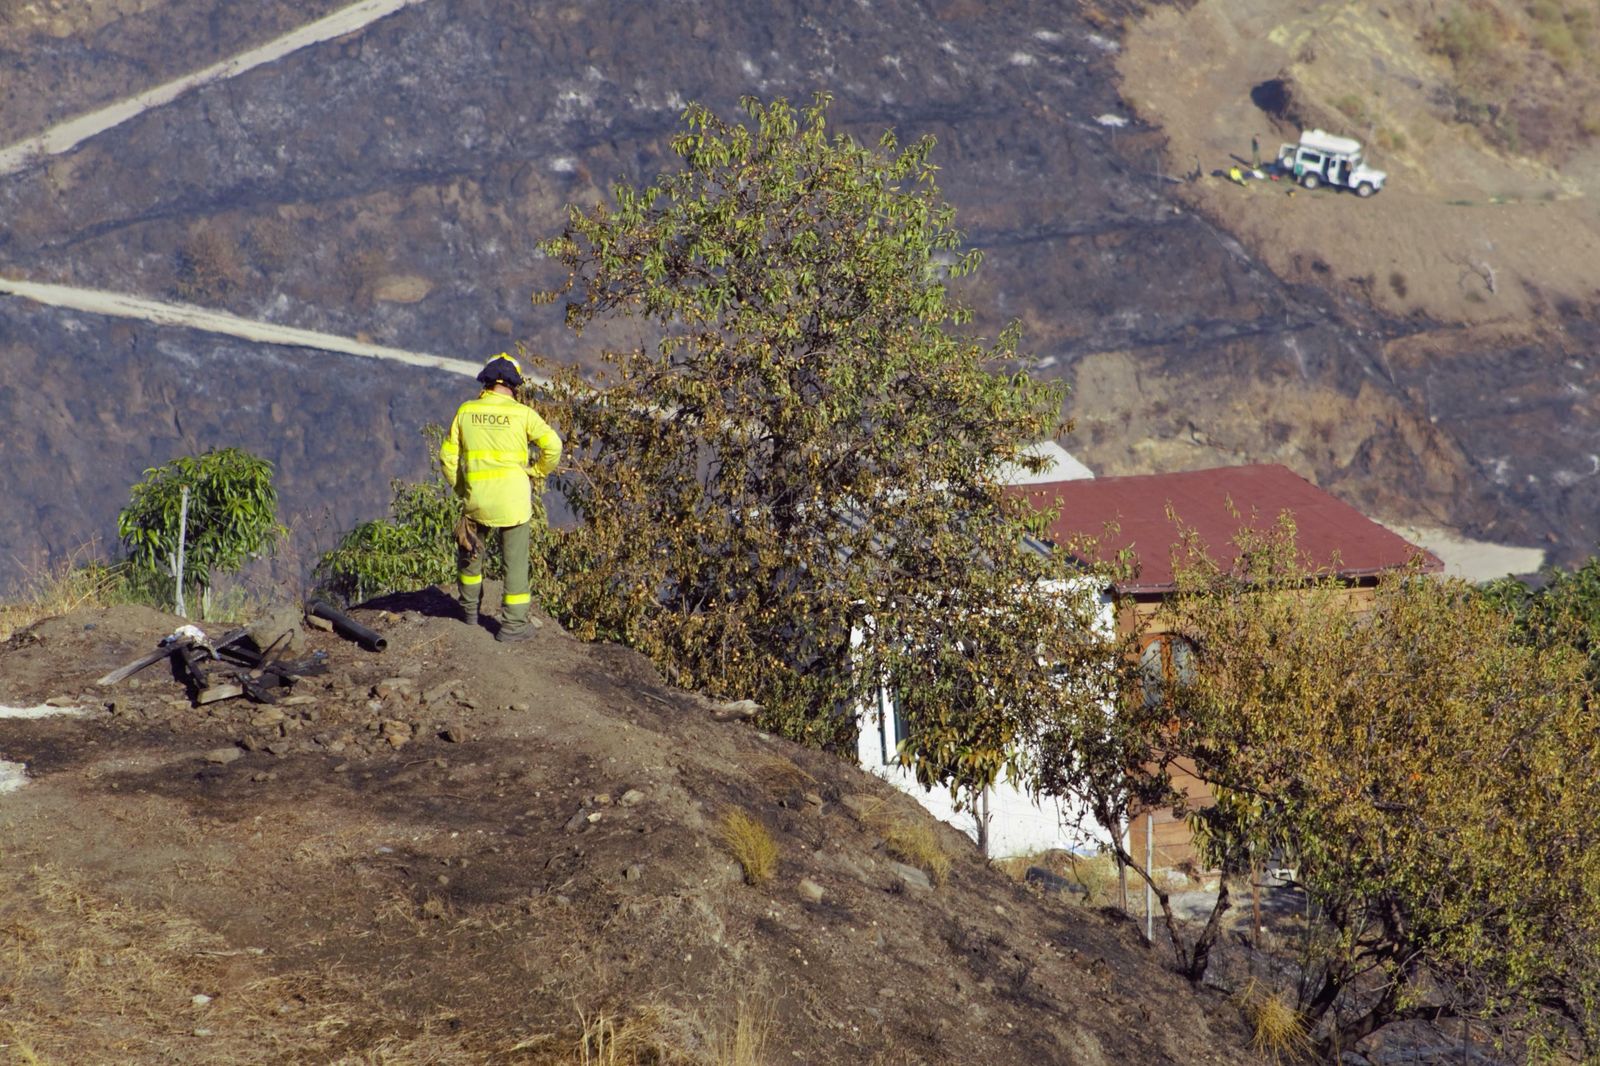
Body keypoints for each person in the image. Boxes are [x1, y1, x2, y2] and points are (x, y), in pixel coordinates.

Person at [439, 353, 562, 643]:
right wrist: (537, 471)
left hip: (477, 499)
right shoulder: (523, 414)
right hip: (514, 502)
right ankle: (512, 626)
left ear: (485, 382)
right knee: (515, 563)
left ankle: (469, 611)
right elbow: (553, 446)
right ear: (514, 385)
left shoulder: (466, 411)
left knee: (471, 554)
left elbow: (447, 457)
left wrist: (461, 488)